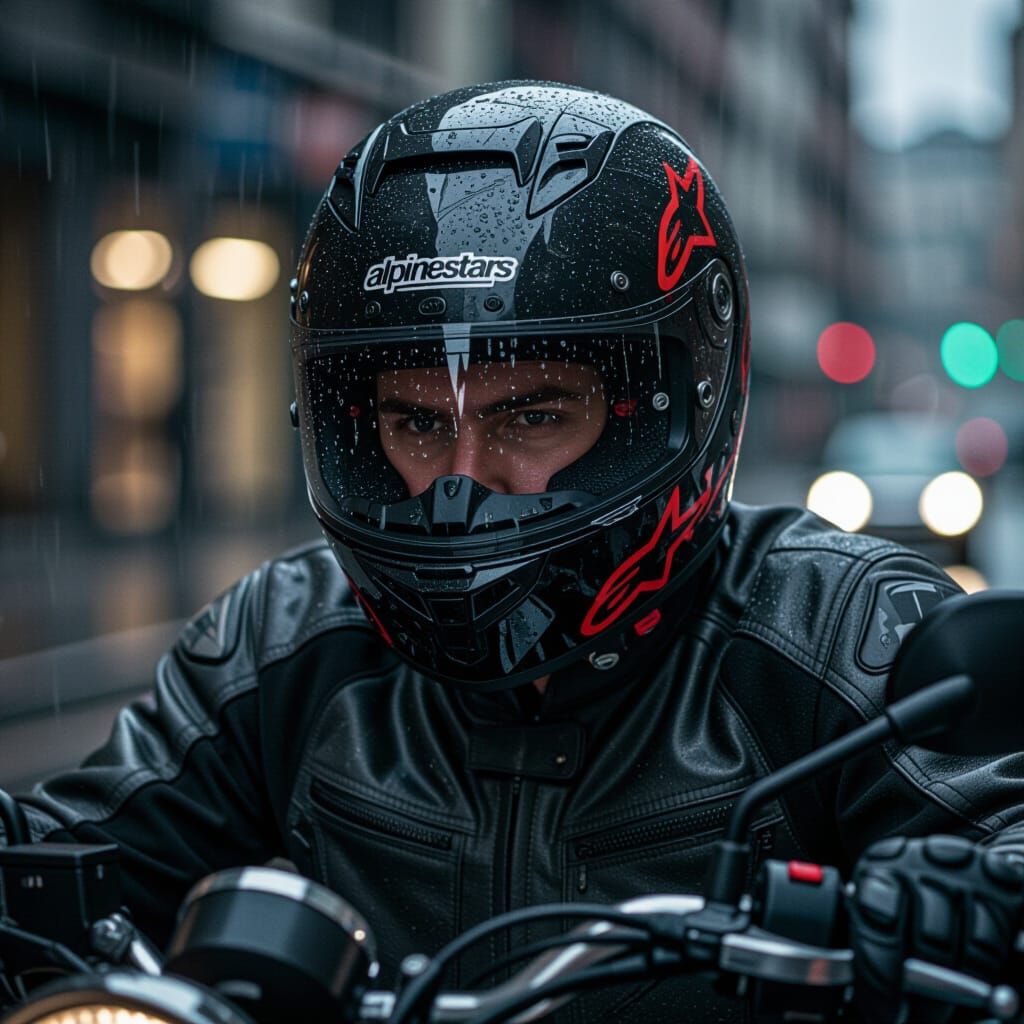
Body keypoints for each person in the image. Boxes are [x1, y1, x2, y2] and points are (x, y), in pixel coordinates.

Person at [7, 81, 1024, 1022]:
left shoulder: (836, 637)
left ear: (662, 411)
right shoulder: (284, 644)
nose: (462, 481)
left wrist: (961, 900)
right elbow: (68, 865)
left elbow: (999, 814)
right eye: (414, 422)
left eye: (532, 415)